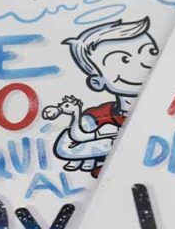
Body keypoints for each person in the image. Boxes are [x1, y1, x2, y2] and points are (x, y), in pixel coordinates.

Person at [42, 18, 160, 177]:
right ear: (97, 82)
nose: (145, 64)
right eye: (124, 60)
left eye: (151, 52)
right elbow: (67, 145)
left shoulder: (163, 109)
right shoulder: (98, 116)